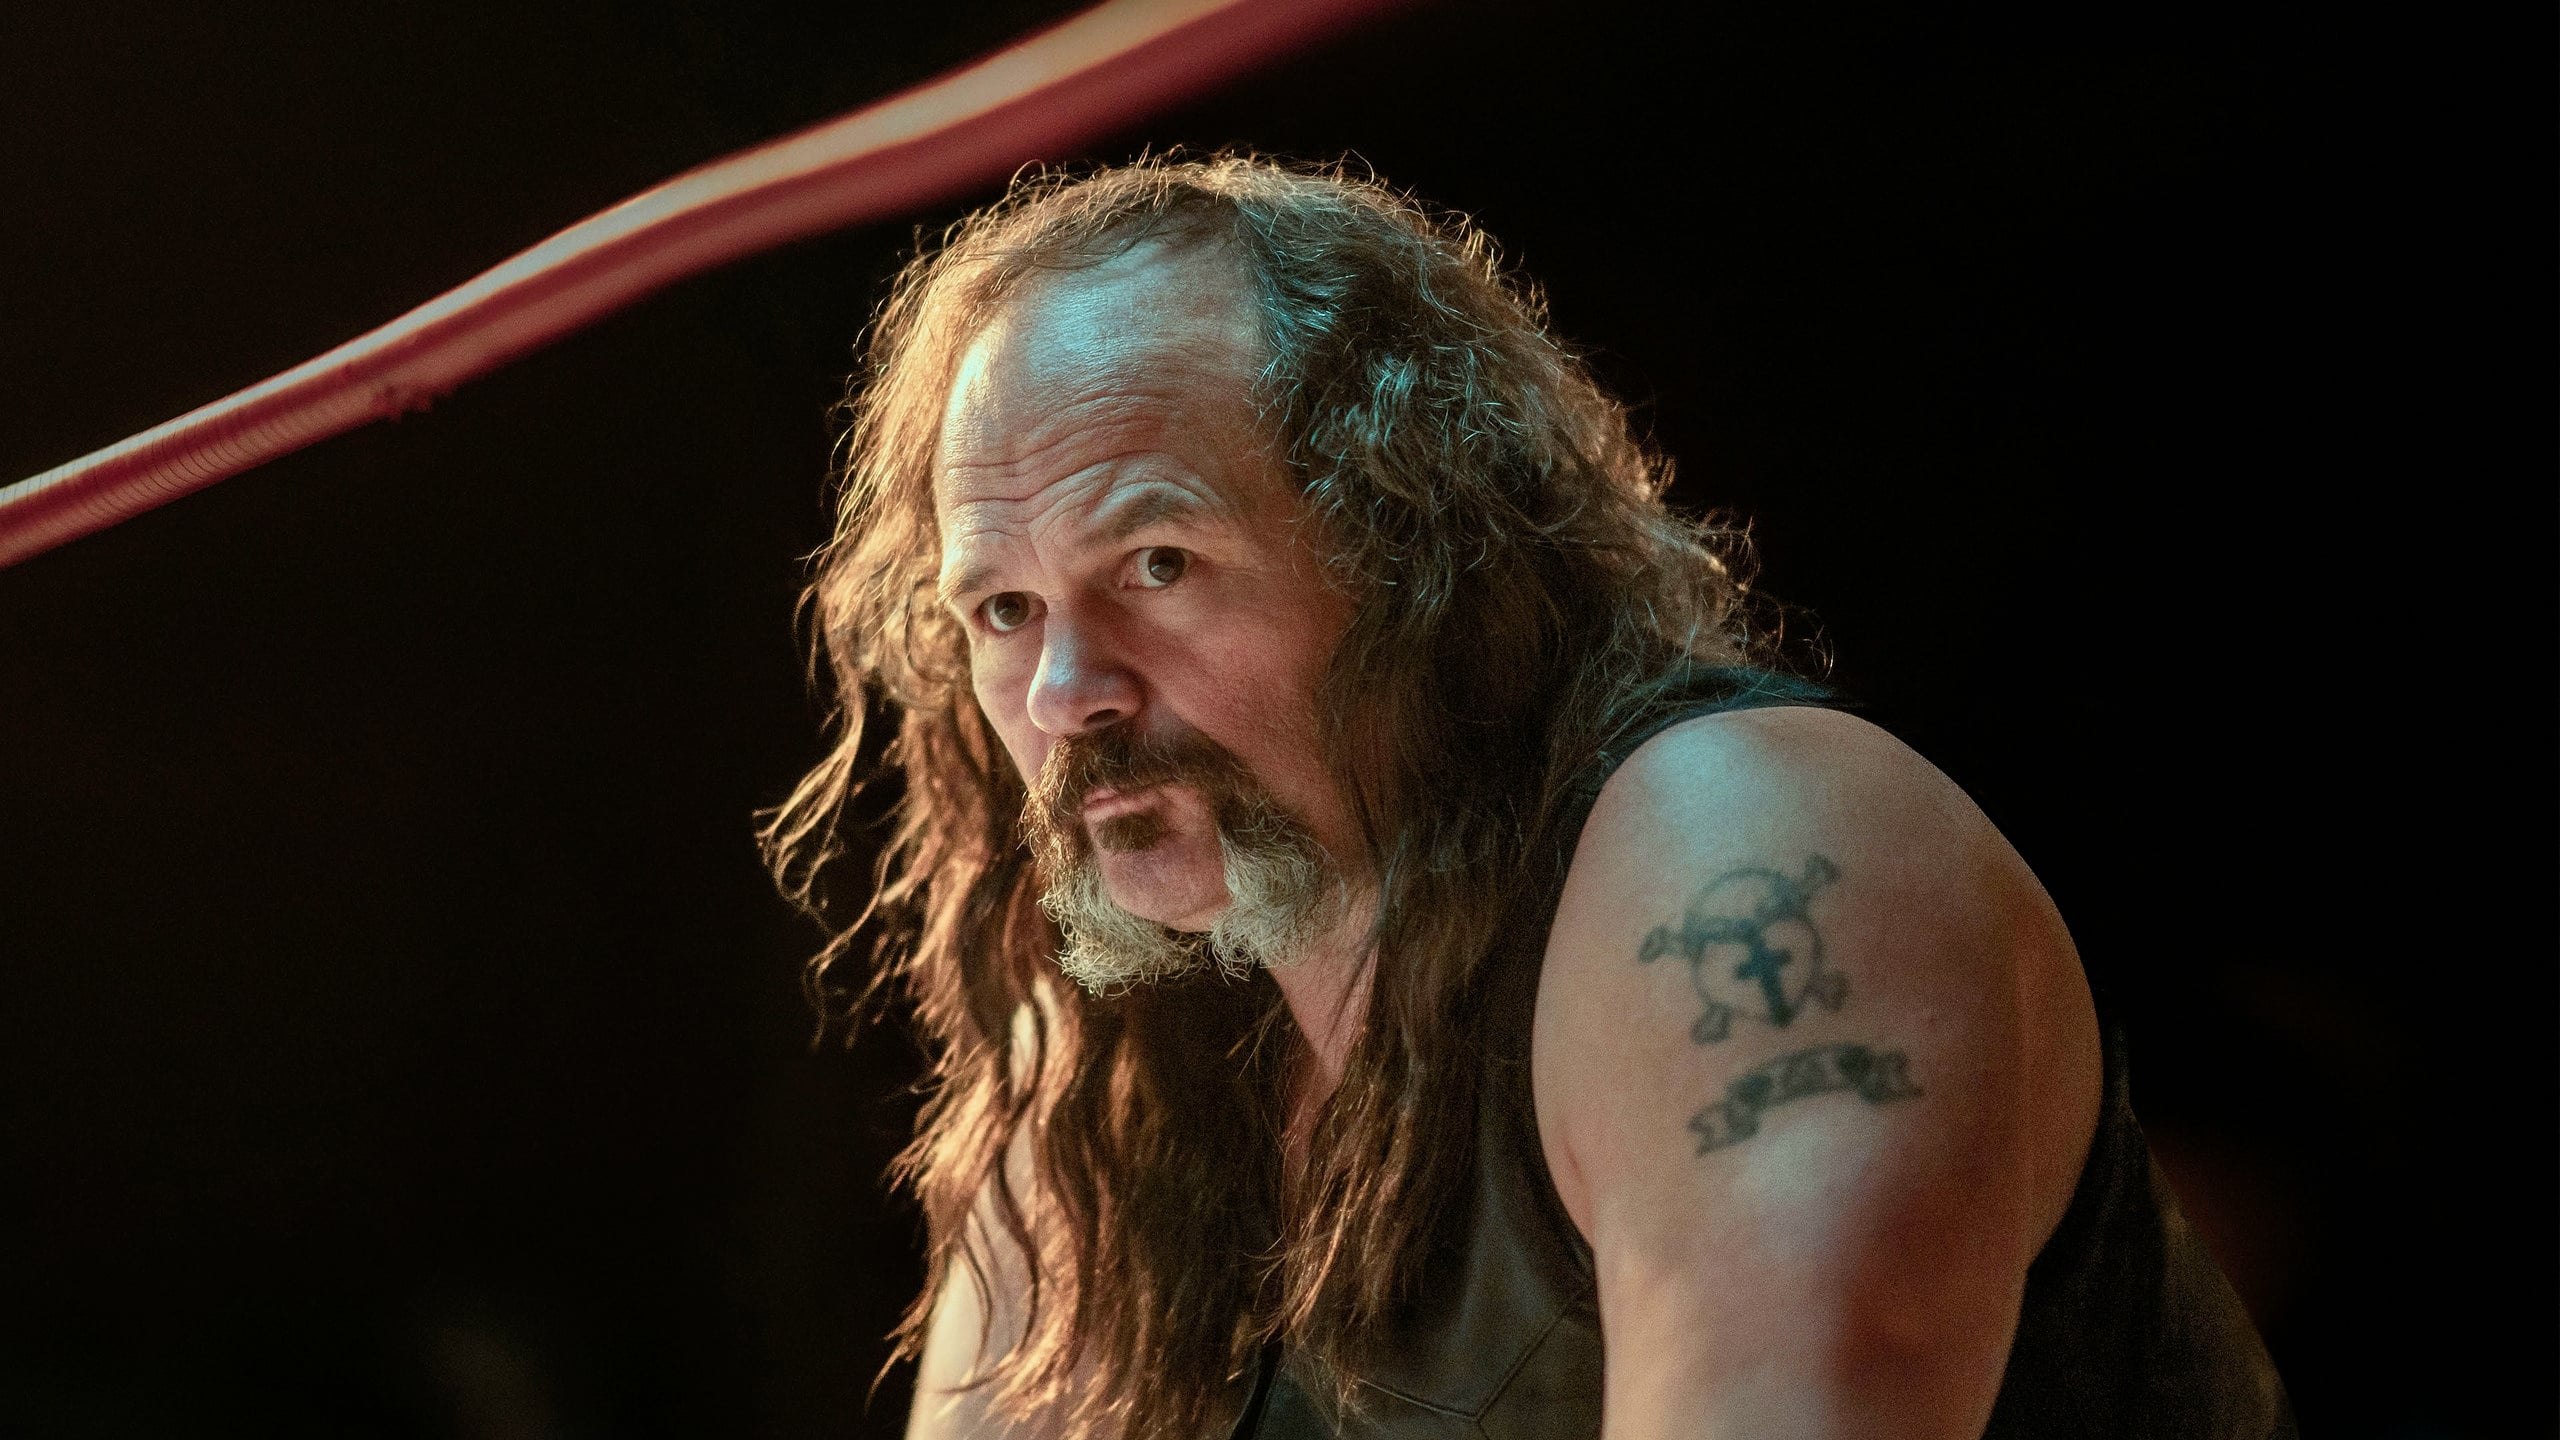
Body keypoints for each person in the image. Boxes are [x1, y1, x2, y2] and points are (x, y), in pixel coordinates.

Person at [761, 154, 2293, 1440]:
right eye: (1005, 610)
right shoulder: (1114, 1089)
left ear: (1414, 547)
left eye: (1158, 565)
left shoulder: (1735, 866)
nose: (1064, 691)